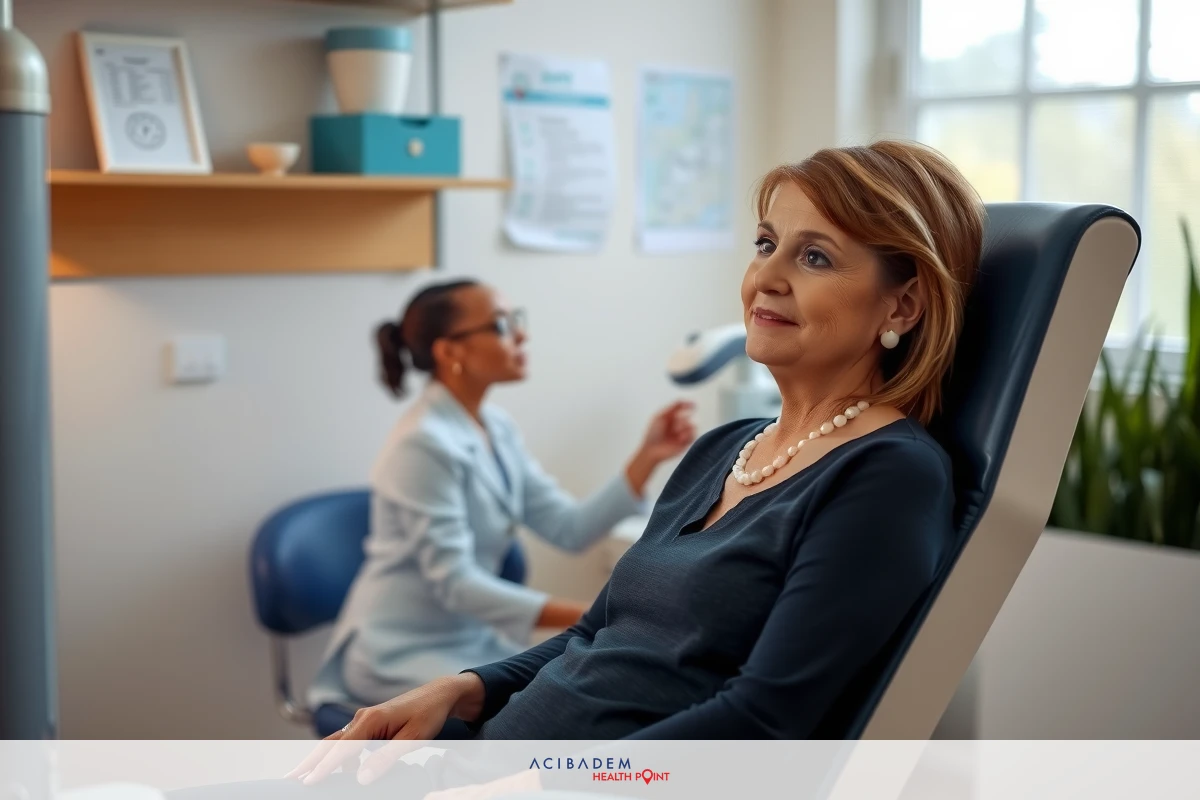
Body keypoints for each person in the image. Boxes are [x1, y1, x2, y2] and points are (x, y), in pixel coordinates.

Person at [308, 280, 697, 711]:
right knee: (561, 701)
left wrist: (647, 456)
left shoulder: (495, 427)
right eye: (500, 325)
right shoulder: (421, 444)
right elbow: (457, 585)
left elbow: (569, 529)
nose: (521, 335)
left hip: (472, 638)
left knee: (594, 686)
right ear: (449, 351)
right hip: (400, 650)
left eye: (517, 320)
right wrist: (594, 616)